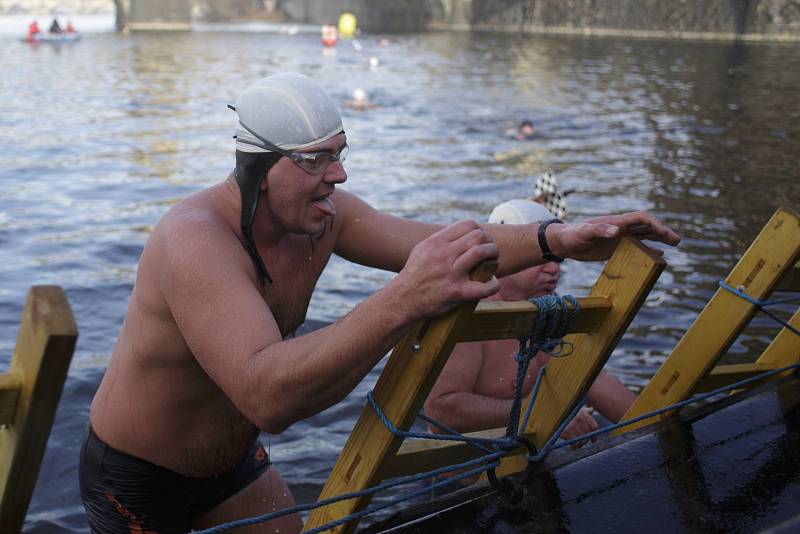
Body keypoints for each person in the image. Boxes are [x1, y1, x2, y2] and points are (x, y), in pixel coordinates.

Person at [79, 72, 679, 534]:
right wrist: (403, 299)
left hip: (231, 462)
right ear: (259, 166)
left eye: (340, 153)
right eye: (317, 160)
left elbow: (446, 245)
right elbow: (267, 394)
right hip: (138, 475)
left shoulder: (324, 220)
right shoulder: (196, 241)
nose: (337, 176)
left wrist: (557, 239)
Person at [425, 199, 637, 447]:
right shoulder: (469, 312)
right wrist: (541, 415)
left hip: (523, 465)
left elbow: (591, 376)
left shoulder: (548, 308)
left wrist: (654, 419)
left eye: (557, 257)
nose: (553, 269)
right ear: (503, 258)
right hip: (464, 479)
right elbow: (441, 410)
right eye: (539, 258)